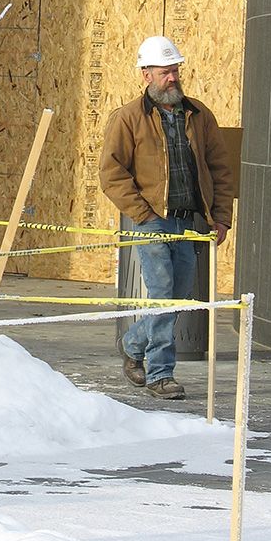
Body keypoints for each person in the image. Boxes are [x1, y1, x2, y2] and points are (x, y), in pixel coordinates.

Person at [99, 35, 233, 400]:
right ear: (146, 74)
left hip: (189, 220)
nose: (172, 78)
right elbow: (111, 173)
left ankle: (131, 343)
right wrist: (143, 214)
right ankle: (161, 374)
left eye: (175, 70)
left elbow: (220, 169)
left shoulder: (199, 114)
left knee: (178, 298)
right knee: (162, 295)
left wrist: (220, 217)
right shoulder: (128, 118)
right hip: (153, 220)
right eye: (164, 72)